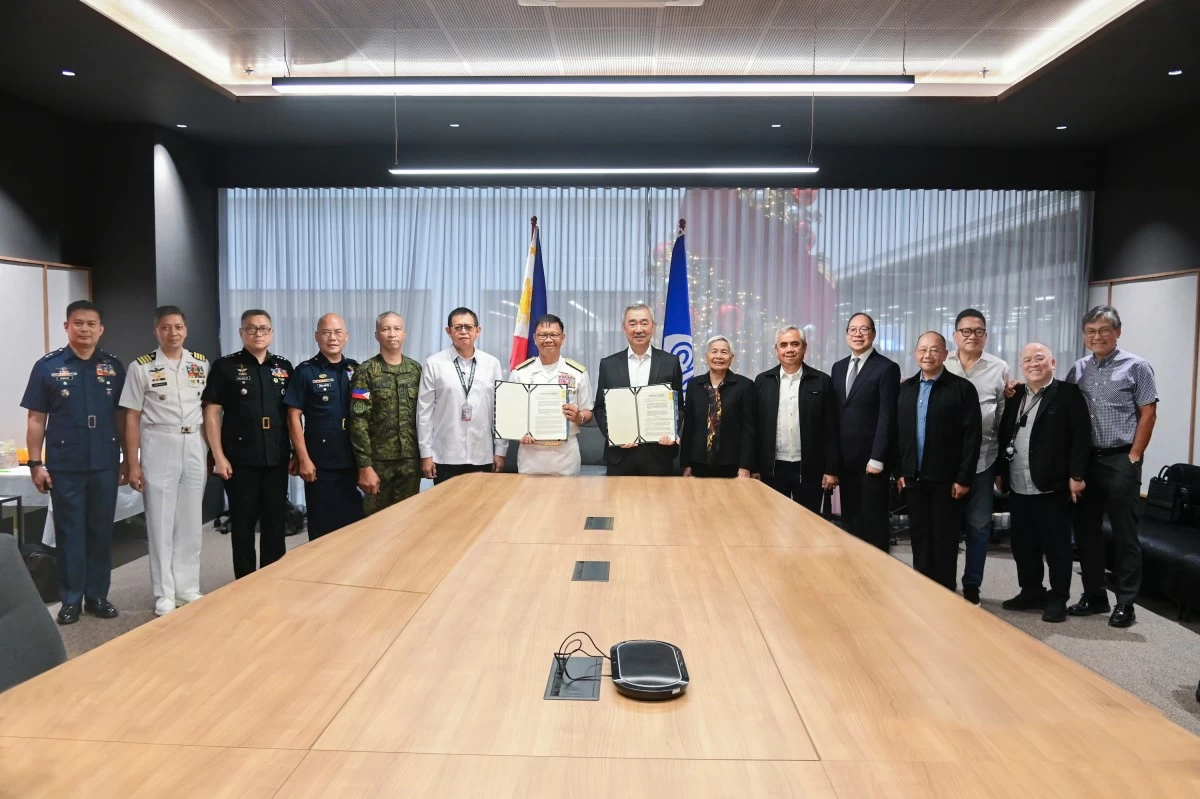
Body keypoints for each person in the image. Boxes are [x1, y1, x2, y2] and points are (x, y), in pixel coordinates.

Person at [21, 300, 128, 625]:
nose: (84, 329)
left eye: (91, 324)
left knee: (100, 531)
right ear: (67, 327)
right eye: (78, 323)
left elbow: (123, 417)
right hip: (65, 464)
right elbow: (36, 419)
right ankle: (70, 599)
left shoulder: (113, 366)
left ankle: (97, 596)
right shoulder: (48, 366)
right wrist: (36, 463)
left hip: (105, 462)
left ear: (101, 329)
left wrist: (127, 459)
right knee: (69, 533)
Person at [1066, 305, 1158, 627]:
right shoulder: (1078, 369)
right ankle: (1094, 596)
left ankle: (1126, 603)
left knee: (1124, 533)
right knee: (1086, 532)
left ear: (1117, 332)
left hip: (1121, 459)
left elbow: (1148, 414)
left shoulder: (1137, 367)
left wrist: (1134, 456)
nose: (1097, 336)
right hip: (1087, 460)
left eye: (1104, 330)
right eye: (1090, 331)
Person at [120, 305, 209, 616]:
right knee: (160, 521)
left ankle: (187, 587)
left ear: (186, 329)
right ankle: (164, 593)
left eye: (178, 327)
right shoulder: (140, 367)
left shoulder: (200, 363)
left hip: (194, 442)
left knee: (190, 521)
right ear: (156, 331)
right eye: (166, 328)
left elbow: (209, 412)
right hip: (159, 442)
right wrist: (132, 462)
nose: (173, 333)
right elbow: (131, 416)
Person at [996, 343, 1091, 623]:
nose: (1033, 364)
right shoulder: (1015, 396)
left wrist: (1077, 476)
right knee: (1023, 545)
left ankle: (1059, 598)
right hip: (1019, 483)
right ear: (1021, 366)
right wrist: (1002, 471)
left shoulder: (1068, 394)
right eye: (1027, 360)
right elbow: (1005, 436)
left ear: (1052, 363)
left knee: (1057, 546)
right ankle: (1031, 591)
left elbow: (1080, 437)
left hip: (1053, 485)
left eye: (1039, 359)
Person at [202, 309, 294, 578]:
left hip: (275, 455)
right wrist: (218, 456)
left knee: (275, 522)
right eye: (251, 328)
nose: (258, 333)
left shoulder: (283, 367)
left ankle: (273, 578)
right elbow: (211, 413)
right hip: (240, 458)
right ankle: (244, 582)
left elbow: (291, 415)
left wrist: (296, 453)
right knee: (242, 524)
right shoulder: (225, 366)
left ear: (272, 333)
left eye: (264, 328)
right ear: (241, 332)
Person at [895, 332, 982, 592]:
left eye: (934, 350)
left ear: (945, 354)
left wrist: (964, 478)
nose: (928, 355)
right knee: (919, 537)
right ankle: (922, 590)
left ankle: (945, 593)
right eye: (922, 350)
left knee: (945, 539)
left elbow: (971, 437)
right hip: (914, 478)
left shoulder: (961, 389)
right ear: (915, 353)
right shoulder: (906, 389)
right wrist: (900, 471)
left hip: (948, 481)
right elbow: (897, 435)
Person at [944, 308, 1009, 605]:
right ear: (955, 335)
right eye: (966, 331)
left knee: (979, 526)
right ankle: (942, 582)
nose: (972, 336)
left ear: (986, 334)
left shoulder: (999, 368)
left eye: (978, 331)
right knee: (945, 526)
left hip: (983, 458)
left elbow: (1003, 419)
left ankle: (972, 585)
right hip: (945, 461)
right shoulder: (941, 363)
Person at [285, 313, 364, 537]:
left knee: (354, 525)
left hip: (352, 458)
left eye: (338, 332)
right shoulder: (305, 371)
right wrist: (302, 458)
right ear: (317, 336)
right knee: (323, 526)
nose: (332, 337)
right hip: (320, 462)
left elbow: (366, 412)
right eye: (326, 332)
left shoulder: (356, 370)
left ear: (346, 337)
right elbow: (293, 416)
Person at [831, 313, 900, 550]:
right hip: (846, 460)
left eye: (864, 329)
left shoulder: (887, 368)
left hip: (872, 461)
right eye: (853, 330)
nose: (858, 334)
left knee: (873, 523)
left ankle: (877, 576)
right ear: (846, 335)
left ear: (873, 334)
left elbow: (887, 416)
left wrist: (878, 458)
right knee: (850, 521)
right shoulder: (838, 368)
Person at [752, 325, 839, 511]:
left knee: (808, 526)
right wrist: (754, 467)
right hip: (772, 469)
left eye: (795, 344)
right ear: (776, 350)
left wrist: (831, 469)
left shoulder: (821, 381)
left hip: (809, 469)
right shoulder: (762, 381)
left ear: (804, 348)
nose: (789, 349)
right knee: (772, 524)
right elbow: (755, 429)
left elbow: (830, 429)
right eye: (783, 345)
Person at [417, 307, 506, 484]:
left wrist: (500, 451)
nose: (463, 332)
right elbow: (424, 412)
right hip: (445, 455)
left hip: (482, 454)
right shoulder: (434, 363)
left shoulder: (492, 364)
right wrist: (426, 454)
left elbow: (500, 411)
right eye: (458, 327)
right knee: (446, 509)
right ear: (448, 331)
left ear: (478, 331)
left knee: (482, 509)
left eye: (468, 327)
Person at [593, 303, 684, 476]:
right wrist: (615, 435)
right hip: (619, 455)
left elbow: (678, 406)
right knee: (618, 503)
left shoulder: (670, 362)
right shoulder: (608, 364)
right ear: (624, 328)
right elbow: (600, 407)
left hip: (658, 454)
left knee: (659, 503)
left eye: (644, 322)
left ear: (653, 326)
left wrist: (671, 431)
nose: (639, 329)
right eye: (632, 323)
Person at [351, 312, 422, 510]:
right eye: (386, 329)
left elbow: (424, 416)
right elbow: (358, 420)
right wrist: (365, 465)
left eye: (397, 329)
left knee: (407, 521)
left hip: (409, 461)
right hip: (378, 463)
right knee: (375, 524)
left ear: (404, 334)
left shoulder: (416, 370)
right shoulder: (366, 371)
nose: (392, 334)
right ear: (377, 335)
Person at [508, 314, 594, 476]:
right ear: (534, 338)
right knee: (529, 500)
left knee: (566, 500)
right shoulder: (521, 373)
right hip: (531, 453)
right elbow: (510, 412)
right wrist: (518, 431)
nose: (548, 339)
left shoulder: (577, 373)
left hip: (565, 454)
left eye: (554, 335)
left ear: (563, 338)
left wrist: (578, 417)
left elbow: (588, 411)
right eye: (542, 335)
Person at [680, 335, 755, 479]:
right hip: (698, 463)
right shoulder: (694, 385)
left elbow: (749, 430)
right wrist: (686, 463)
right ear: (706, 356)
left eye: (724, 352)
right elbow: (689, 426)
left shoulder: (745, 386)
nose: (718, 356)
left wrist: (745, 465)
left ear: (732, 358)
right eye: (714, 351)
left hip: (731, 464)